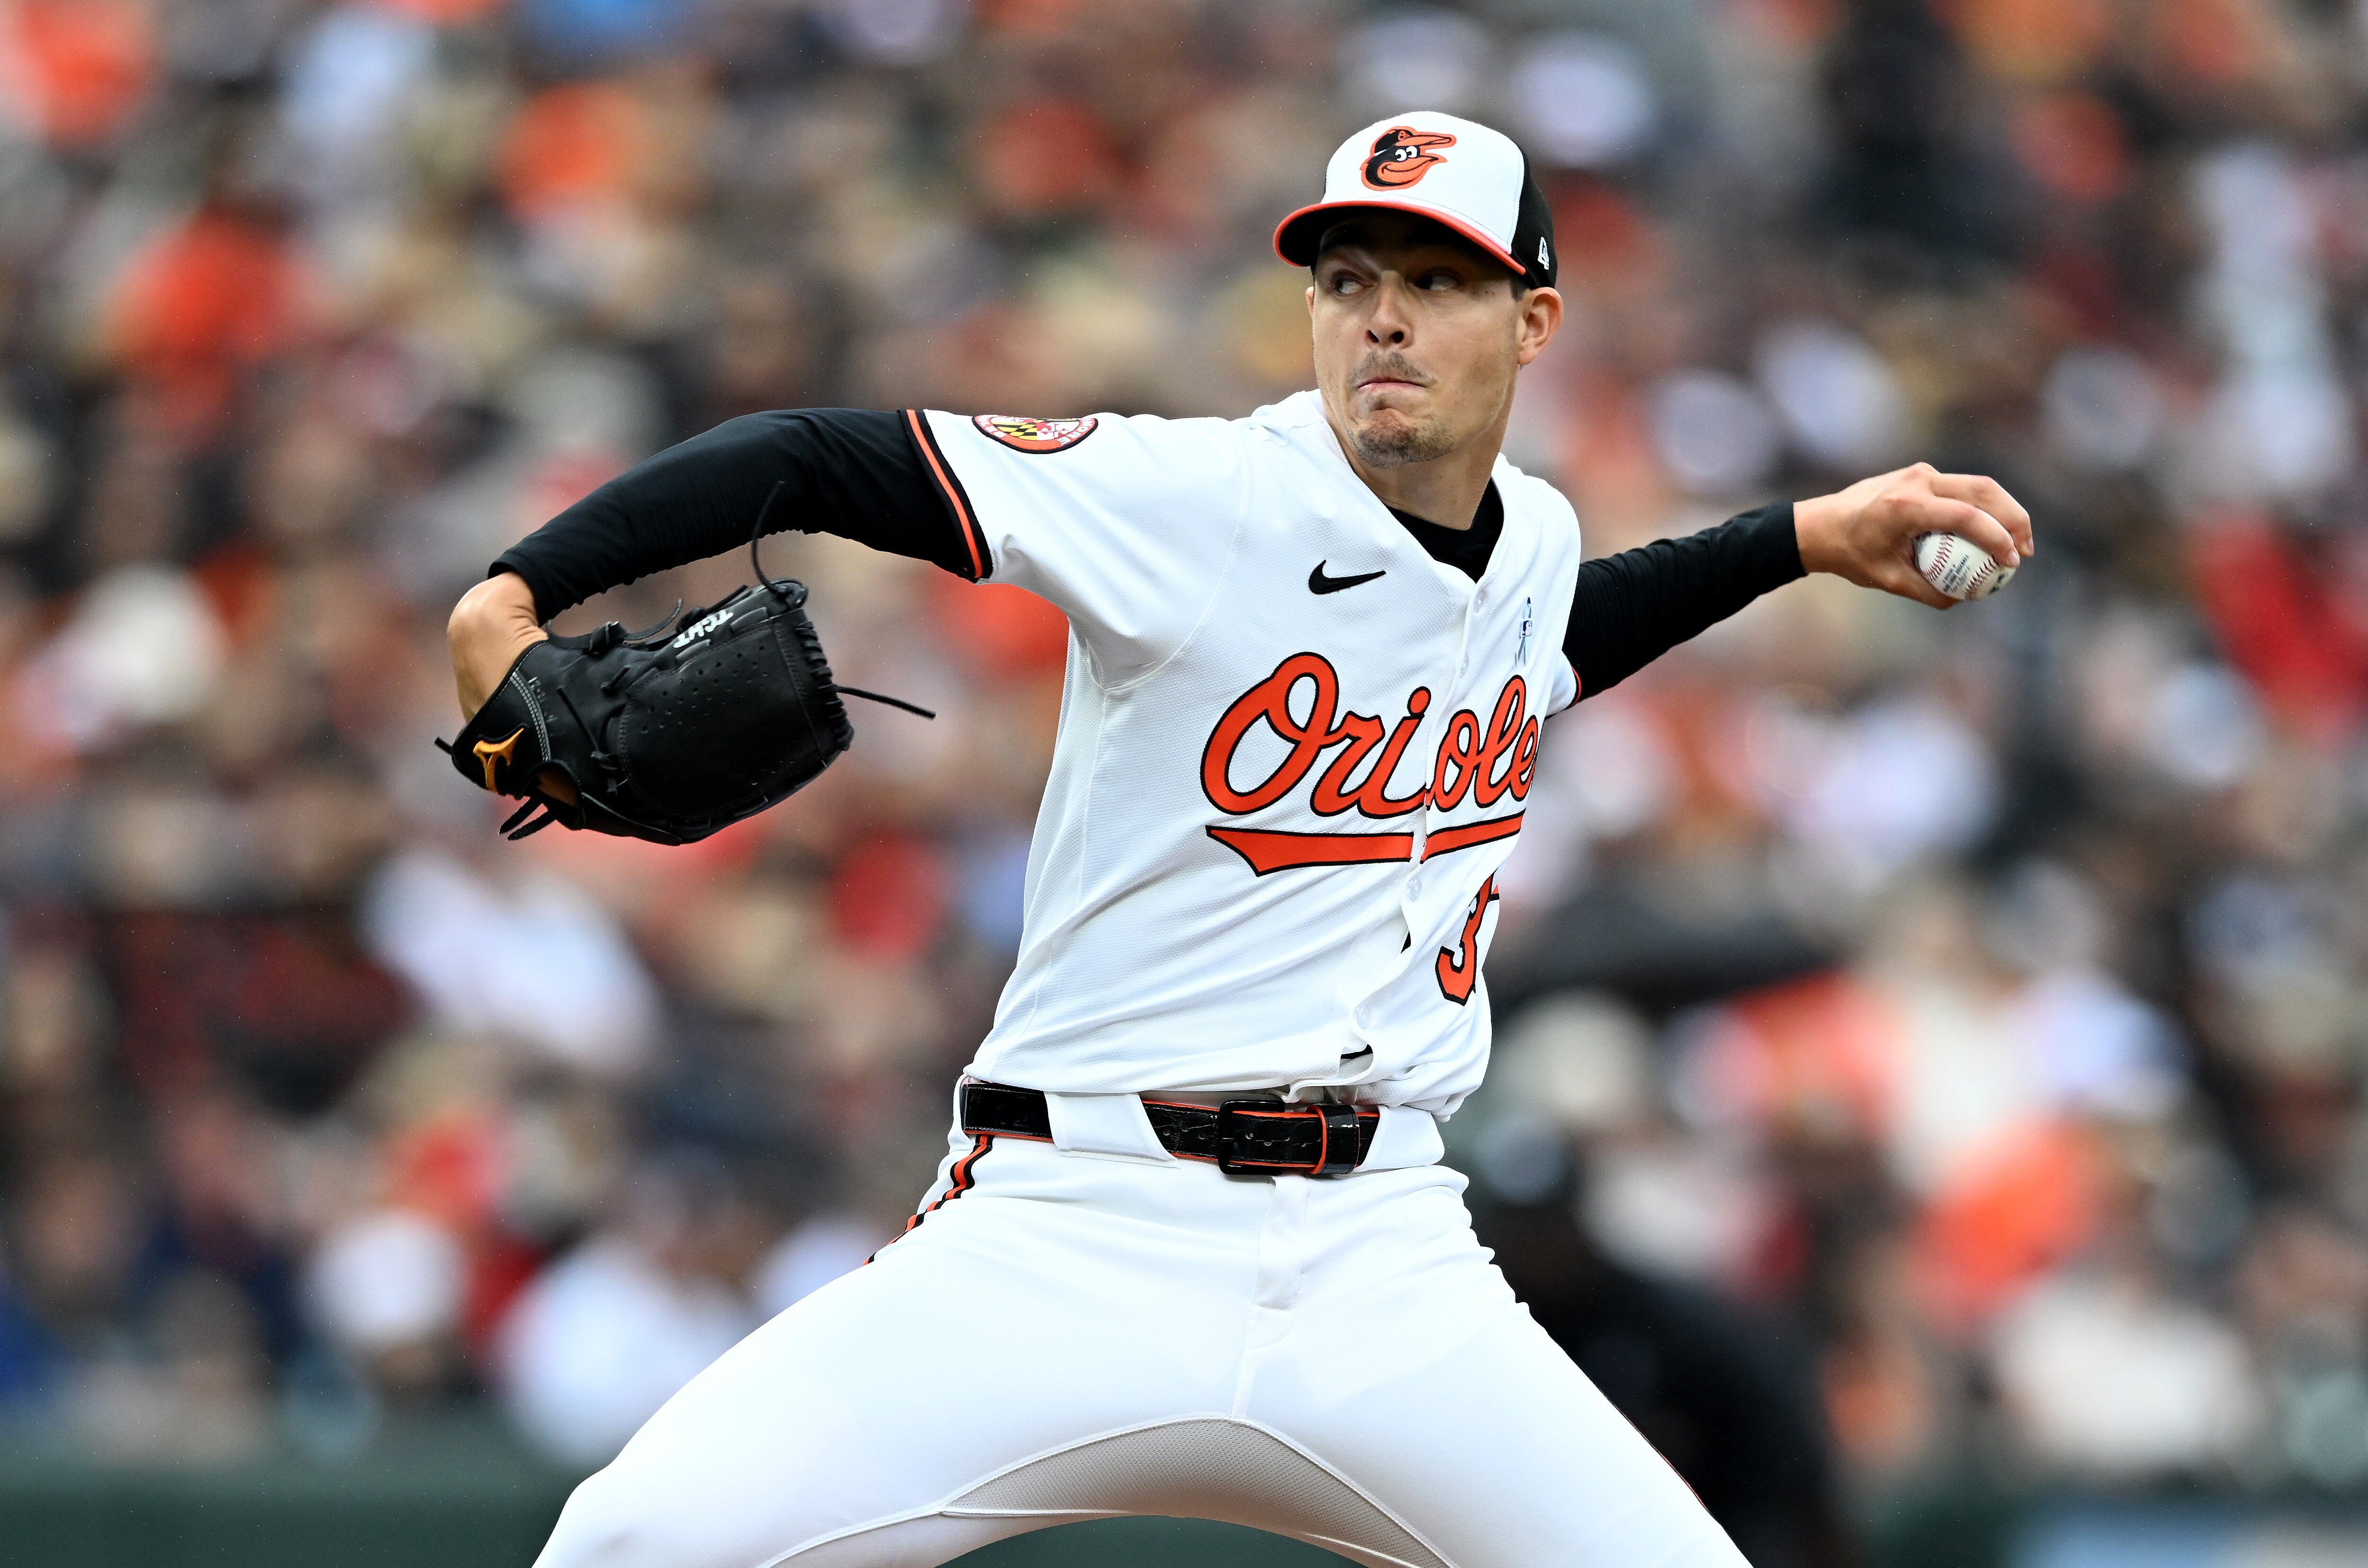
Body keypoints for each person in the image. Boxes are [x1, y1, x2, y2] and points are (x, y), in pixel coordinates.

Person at [447, 112, 2031, 1568]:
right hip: (1076, 1220)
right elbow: (816, 454)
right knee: (632, 1547)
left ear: (1534, 323)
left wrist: (1800, 541)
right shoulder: (1199, 497)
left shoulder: (1531, 539)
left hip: (1380, 1253)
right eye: (1350, 279)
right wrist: (514, 594)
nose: (1384, 317)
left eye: (1436, 279)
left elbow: (1556, 630)